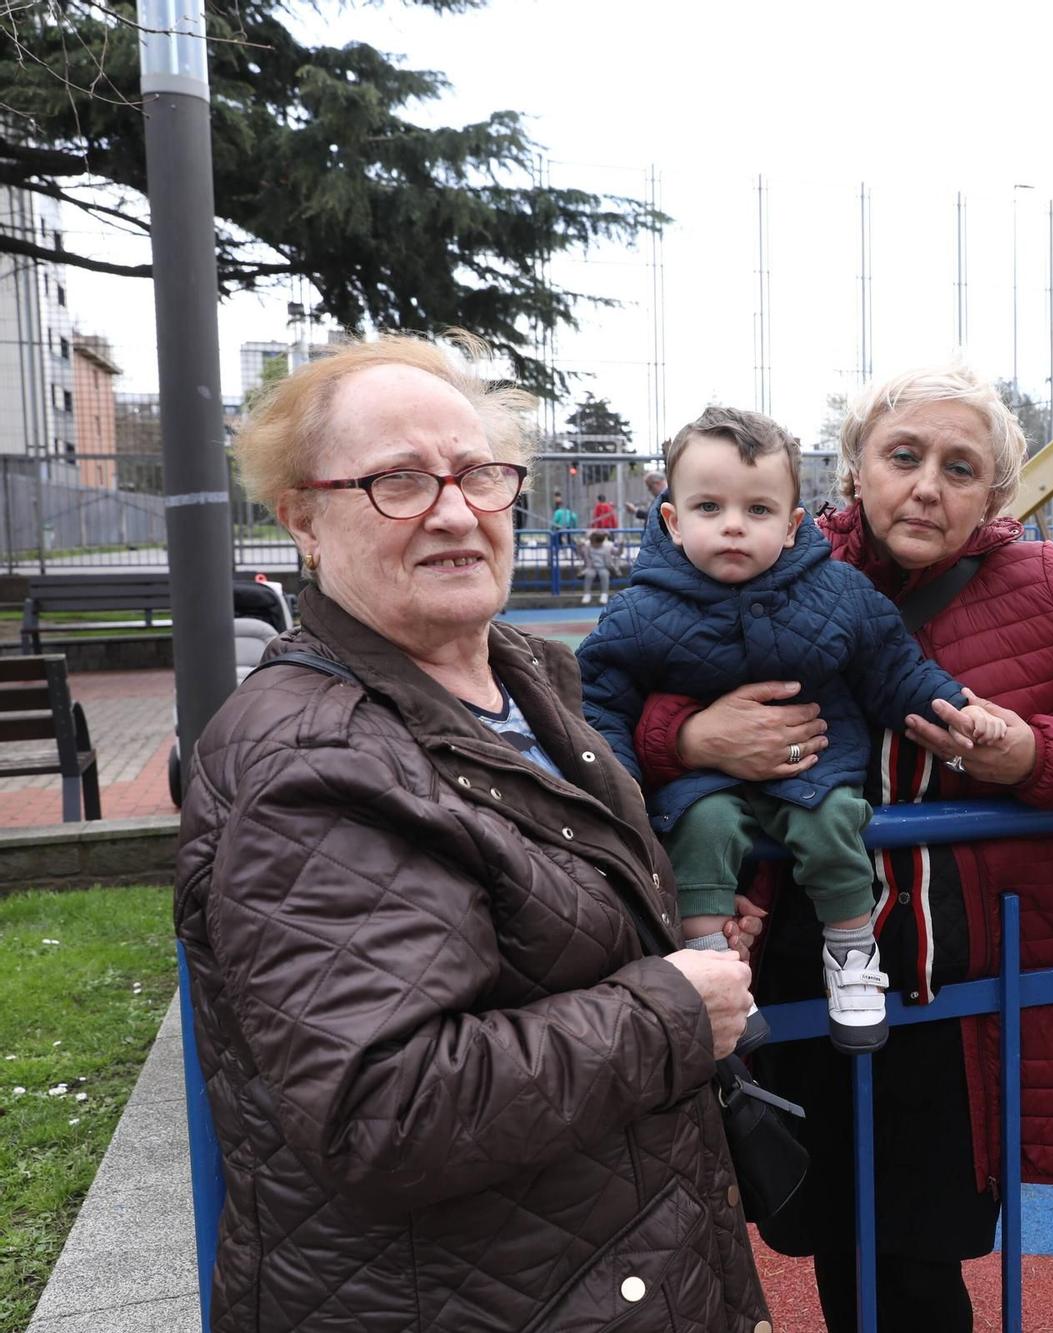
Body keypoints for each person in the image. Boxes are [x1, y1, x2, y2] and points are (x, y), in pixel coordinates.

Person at [176, 333, 769, 1332]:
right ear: (303, 520)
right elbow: (386, 1107)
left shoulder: (525, 679)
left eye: (480, 474)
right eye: (397, 481)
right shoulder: (310, 762)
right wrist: (668, 1009)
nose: (454, 511)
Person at [616, 363, 1053, 1333]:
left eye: (959, 467)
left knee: (920, 1259)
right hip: (804, 966)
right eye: (903, 455)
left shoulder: (1042, 585)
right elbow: (636, 708)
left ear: (996, 494)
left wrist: (1027, 753)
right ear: (855, 469)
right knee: (833, 1236)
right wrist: (698, 742)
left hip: (951, 995)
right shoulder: (775, 568)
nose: (927, 485)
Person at [576, 406, 1006, 1053]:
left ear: (791, 524)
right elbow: (599, 697)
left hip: (813, 770)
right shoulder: (640, 611)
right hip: (701, 783)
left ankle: (852, 953)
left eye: (757, 510)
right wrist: (620, 777)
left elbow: (893, 668)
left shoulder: (835, 592)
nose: (731, 526)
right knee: (701, 831)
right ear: (672, 518)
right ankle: (714, 973)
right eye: (708, 507)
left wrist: (954, 708)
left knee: (835, 823)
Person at [578, 527, 624, 605]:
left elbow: (618, 553)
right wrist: (578, 546)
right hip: (591, 567)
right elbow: (580, 553)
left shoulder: (608, 546)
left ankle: (604, 594)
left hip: (604, 567)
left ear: (600, 542)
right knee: (589, 574)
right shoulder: (588, 545)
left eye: (595, 543)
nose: (593, 544)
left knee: (604, 574)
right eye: (591, 542)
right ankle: (587, 594)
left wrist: (621, 546)